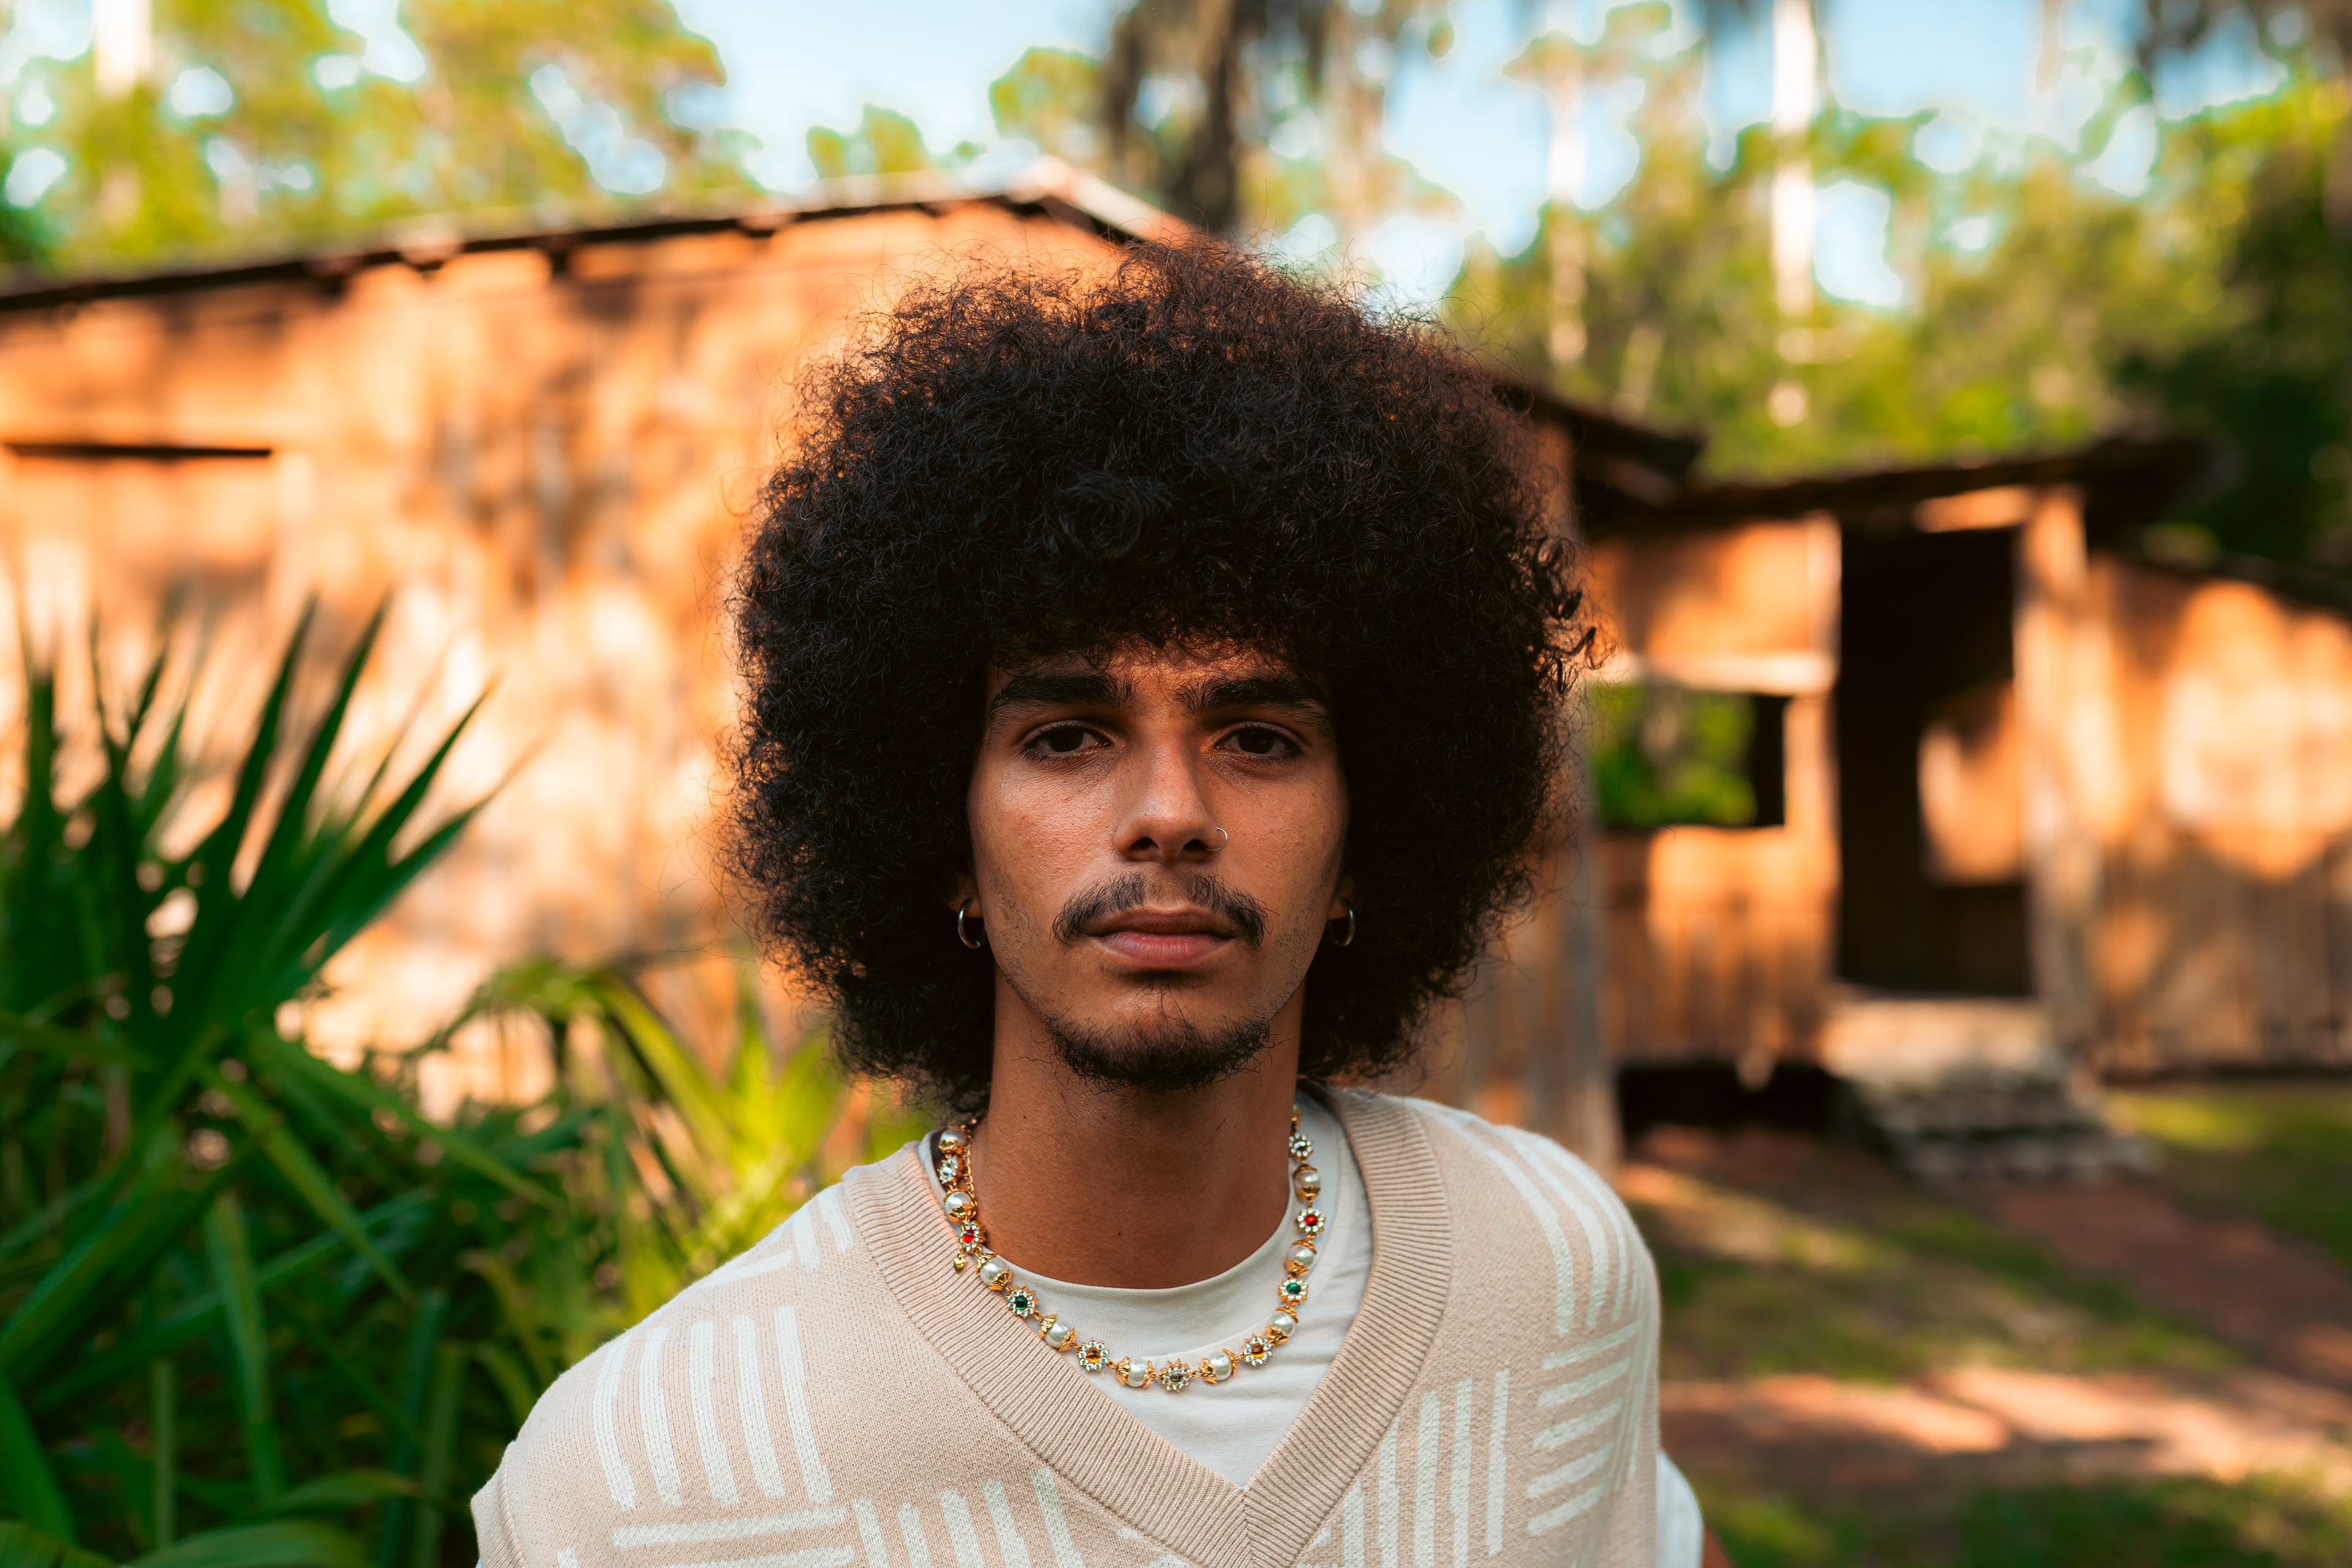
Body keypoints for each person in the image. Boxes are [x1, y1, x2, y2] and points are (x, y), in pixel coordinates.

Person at [471, 240, 1720, 1568]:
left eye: (1259, 737)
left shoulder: (1551, 1262)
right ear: (939, 831)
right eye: (1067, 735)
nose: (1170, 810)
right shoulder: (640, 1481)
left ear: (1371, 833)